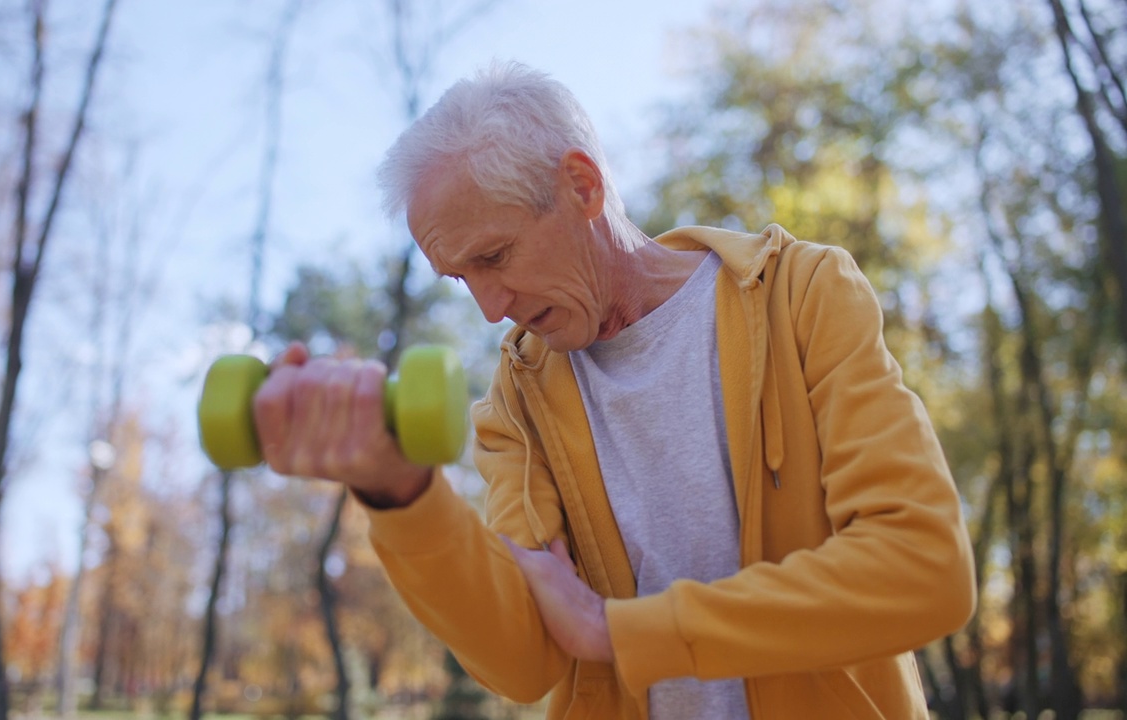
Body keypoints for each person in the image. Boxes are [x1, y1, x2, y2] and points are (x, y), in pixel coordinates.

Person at [253, 60, 976, 720]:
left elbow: (925, 569)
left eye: (495, 257)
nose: (489, 306)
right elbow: (525, 658)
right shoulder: (517, 402)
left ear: (582, 186)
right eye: (462, 278)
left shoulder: (801, 296)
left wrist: (620, 631)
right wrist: (400, 493)